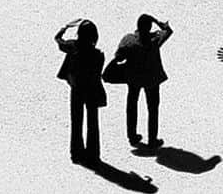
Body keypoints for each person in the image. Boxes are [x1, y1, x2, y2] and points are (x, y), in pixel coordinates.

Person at [107, 13, 173, 148]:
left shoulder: (128, 40)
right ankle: (152, 139)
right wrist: (157, 21)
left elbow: (118, 56)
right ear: (150, 27)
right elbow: (168, 31)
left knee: (132, 106)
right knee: (153, 109)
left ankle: (132, 136)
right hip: (152, 79)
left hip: (133, 78)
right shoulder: (155, 40)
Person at [55, 19, 107, 165]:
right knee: (93, 121)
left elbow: (58, 40)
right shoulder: (98, 55)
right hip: (92, 90)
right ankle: (93, 153)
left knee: (76, 121)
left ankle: (76, 152)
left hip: (77, 89)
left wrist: (64, 27)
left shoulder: (73, 47)